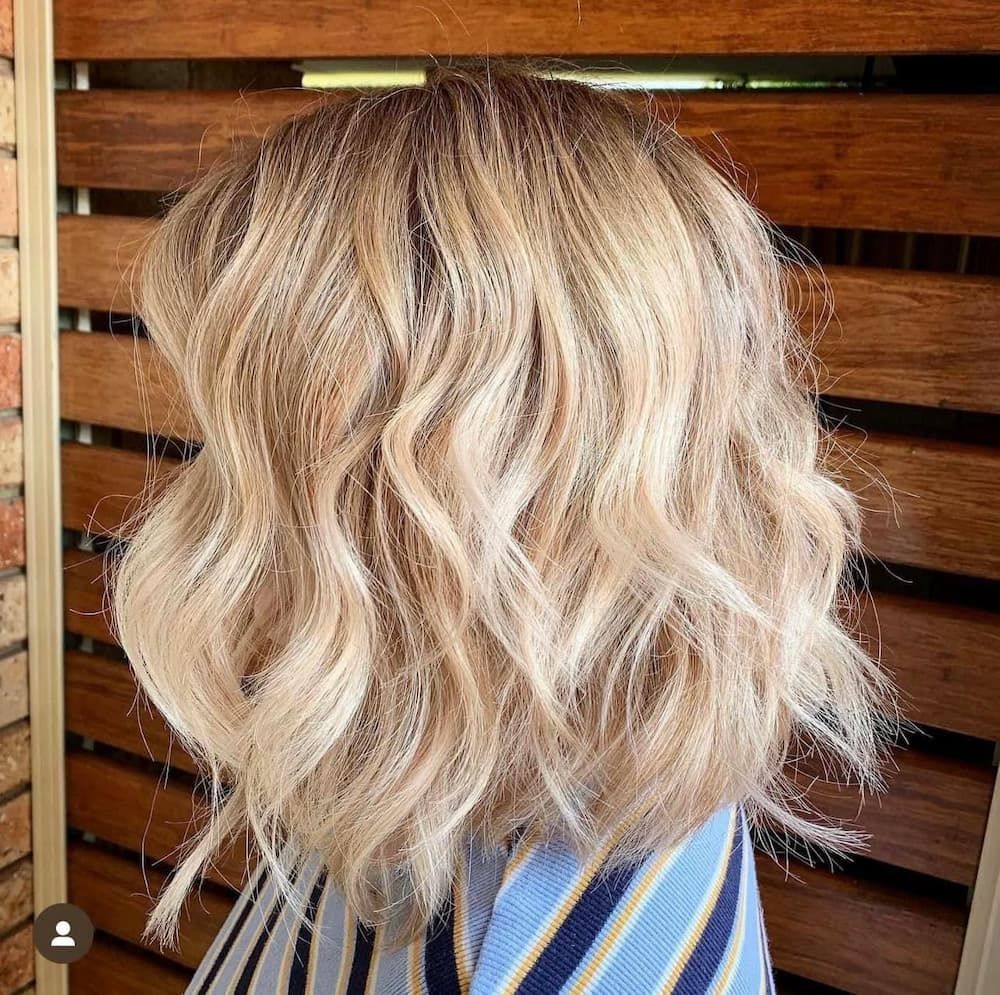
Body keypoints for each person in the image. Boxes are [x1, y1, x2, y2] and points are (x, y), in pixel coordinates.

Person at [109, 64, 895, 993]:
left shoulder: (515, 951)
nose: (210, 496)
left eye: (240, 447)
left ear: (419, 493)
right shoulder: (527, 743)